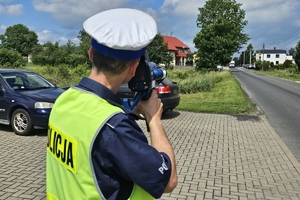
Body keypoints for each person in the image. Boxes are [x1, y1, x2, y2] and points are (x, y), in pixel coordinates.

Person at [46, 8, 177, 200]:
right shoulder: (114, 127)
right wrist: (154, 119)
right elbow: (167, 181)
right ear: (133, 68)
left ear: (91, 53)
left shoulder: (63, 101)